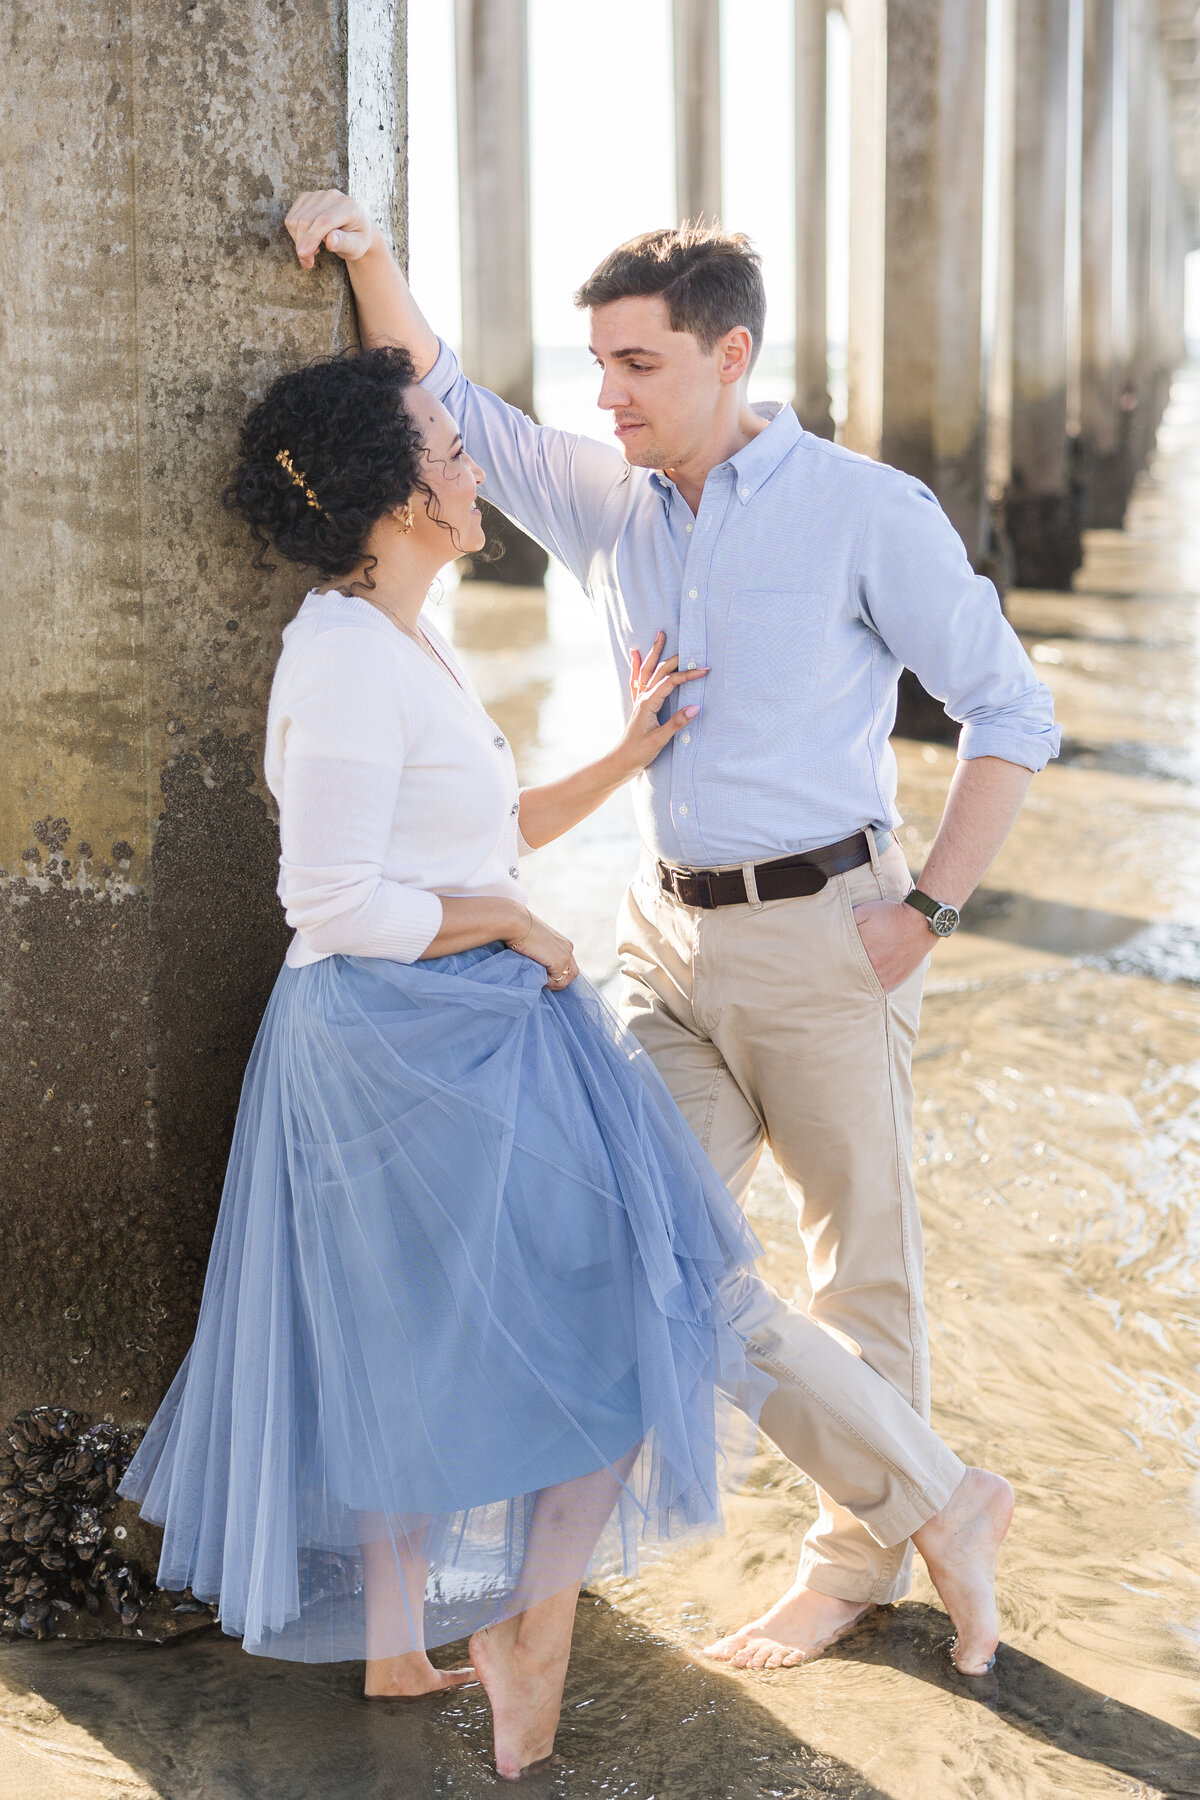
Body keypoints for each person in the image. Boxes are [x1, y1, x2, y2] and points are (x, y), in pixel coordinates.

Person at [121, 338, 1013, 1779]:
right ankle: (887, 1515)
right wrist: (517, 930)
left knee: (466, 1321)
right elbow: (337, 901)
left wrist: (626, 754)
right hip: (411, 1040)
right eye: (451, 451)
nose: (478, 466)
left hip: (455, 1028)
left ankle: (410, 1648)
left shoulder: (401, 637)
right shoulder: (344, 657)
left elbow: (473, 828)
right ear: (406, 497)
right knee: (648, 1280)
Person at [282, 190, 1057, 1672]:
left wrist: (930, 912)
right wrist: (371, 260)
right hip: (660, 944)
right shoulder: (607, 499)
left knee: (858, 1272)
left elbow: (1010, 712)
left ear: (729, 355)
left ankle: (857, 1566)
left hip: (834, 930)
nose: (606, 393)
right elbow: (451, 404)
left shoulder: (866, 511)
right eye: (599, 362)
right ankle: (941, 1503)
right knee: (639, 1256)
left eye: (635, 363)